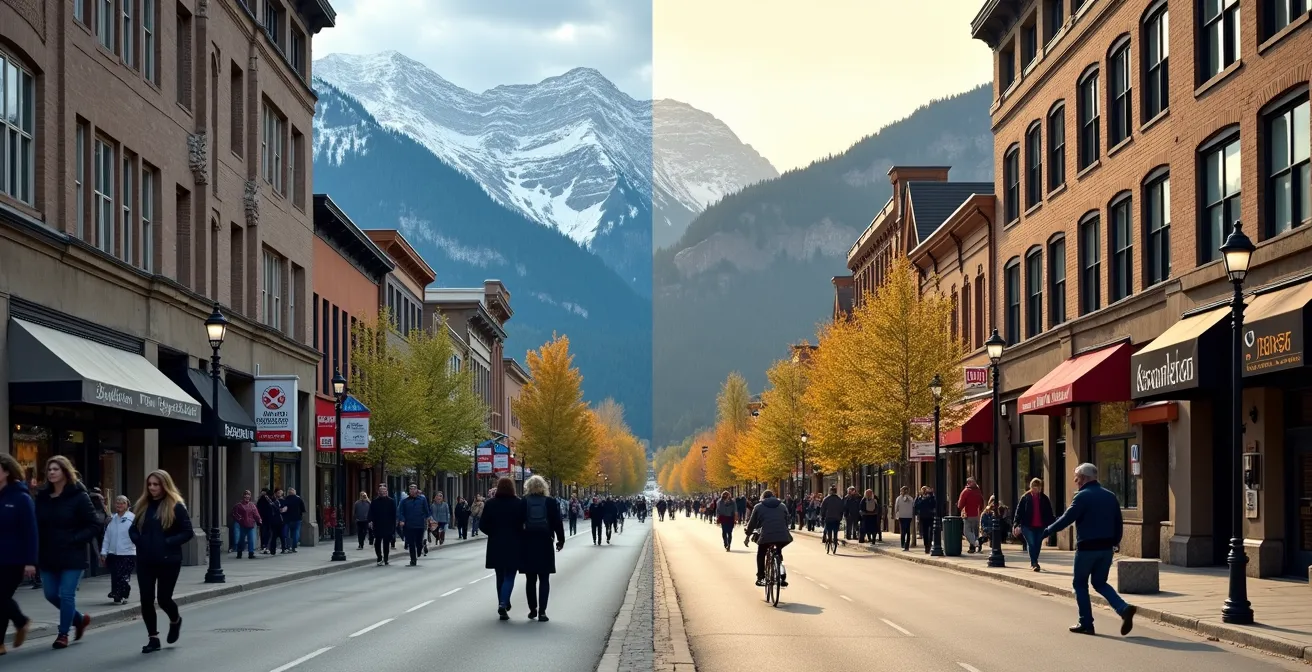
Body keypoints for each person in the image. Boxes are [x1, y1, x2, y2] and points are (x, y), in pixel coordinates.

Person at [1042, 463, 1136, 636]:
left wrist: (1047, 531)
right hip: (1107, 548)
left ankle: (1086, 623)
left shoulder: (1082, 497)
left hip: (1087, 549)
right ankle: (1123, 608)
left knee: (1079, 583)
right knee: (1100, 582)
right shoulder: (1110, 496)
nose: (1075, 481)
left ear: (1084, 478)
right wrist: (1115, 542)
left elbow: (1066, 518)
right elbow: (1118, 522)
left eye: (1076, 478)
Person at [34, 456, 99, 649]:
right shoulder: (43, 496)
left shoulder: (79, 496)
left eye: (56, 469)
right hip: (48, 553)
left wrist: (74, 539)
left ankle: (63, 634)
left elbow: (94, 524)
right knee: (51, 594)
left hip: (72, 554)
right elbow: (35, 524)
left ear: (65, 472)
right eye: (49, 470)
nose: (52, 473)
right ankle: (79, 619)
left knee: (66, 594)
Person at [129, 469, 194, 653]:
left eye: (156, 484)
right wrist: (138, 540)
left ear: (165, 485)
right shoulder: (142, 505)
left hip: (168, 560)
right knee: (146, 599)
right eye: (149, 484)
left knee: (164, 599)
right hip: (145, 560)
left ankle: (175, 620)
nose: (152, 488)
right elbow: (133, 529)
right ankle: (153, 638)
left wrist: (167, 542)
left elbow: (187, 532)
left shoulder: (175, 505)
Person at [0, 453, 37, 655]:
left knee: (1, 596)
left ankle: (21, 621)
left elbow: (31, 531)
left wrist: (30, 561)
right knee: (1, 600)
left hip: (13, 558)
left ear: (6, 471)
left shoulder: (21, 497)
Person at [519, 475, 565, 622]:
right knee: (544, 578)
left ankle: (532, 609)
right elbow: (557, 522)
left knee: (530, 579)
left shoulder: (524, 502)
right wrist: (560, 540)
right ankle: (543, 612)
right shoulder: (550, 502)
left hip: (528, 542)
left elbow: (518, 522)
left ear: (528, 487)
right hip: (545, 542)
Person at [481, 477, 524, 620]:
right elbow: (523, 522)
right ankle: (504, 602)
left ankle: (502, 602)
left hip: (496, 543)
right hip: (514, 543)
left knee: (499, 575)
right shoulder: (518, 503)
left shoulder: (491, 504)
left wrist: (492, 533)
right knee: (510, 575)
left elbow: (482, 524)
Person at [743, 490, 792, 587]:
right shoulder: (782, 506)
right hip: (783, 536)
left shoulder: (758, 507)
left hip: (766, 535)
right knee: (778, 552)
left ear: (763, 497)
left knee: (761, 553)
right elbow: (788, 520)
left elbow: (752, 523)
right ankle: (782, 575)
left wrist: (748, 536)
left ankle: (760, 577)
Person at [100, 495, 136, 604]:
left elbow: (137, 535)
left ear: (127, 505)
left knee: (123, 575)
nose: (119, 505)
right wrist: (103, 552)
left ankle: (124, 593)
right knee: (115, 575)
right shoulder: (112, 519)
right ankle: (117, 595)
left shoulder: (132, 518)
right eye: (117, 503)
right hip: (113, 553)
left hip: (128, 552)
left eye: (122, 503)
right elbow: (107, 537)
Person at [397, 484, 430, 566]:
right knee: (411, 543)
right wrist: (402, 520)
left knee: (418, 542)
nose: (412, 491)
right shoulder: (404, 501)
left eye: (414, 489)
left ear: (416, 490)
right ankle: (413, 560)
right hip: (408, 525)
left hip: (419, 524)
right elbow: (400, 512)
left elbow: (427, 511)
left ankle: (420, 549)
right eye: (410, 489)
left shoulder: (422, 499)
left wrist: (426, 518)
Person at [368, 484, 397, 566]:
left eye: (384, 491)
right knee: (377, 542)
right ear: (378, 492)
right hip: (377, 525)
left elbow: (394, 514)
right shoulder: (375, 502)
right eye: (381, 491)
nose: (383, 492)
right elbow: (371, 512)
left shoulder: (391, 501)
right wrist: (370, 521)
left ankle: (386, 558)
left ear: (387, 492)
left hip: (388, 525)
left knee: (386, 543)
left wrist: (394, 525)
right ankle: (379, 557)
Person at [957, 478, 985, 553]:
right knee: (975, 532)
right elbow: (982, 501)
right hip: (976, 514)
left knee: (967, 532)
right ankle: (974, 546)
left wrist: (960, 508)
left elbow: (960, 504)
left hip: (968, 514)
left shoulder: (966, 491)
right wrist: (981, 509)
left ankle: (976, 543)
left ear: (968, 483)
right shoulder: (978, 491)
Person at [231, 490, 261, 559]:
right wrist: (239, 519)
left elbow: (256, 514)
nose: (247, 496)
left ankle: (251, 553)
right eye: (246, 495)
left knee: (251, 539)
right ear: (243, 496)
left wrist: (259, 519)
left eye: (248, 495)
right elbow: (234, 513)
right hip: (242, 524)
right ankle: (239, 552)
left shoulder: (252, 505)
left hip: (250, 524)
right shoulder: (239, 505)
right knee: (241, 539)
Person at [281, 488, 306, 552]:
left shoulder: (285, 499)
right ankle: (293, 546)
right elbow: (303, 509)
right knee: (295, 532)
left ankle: (287, 546)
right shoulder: (299, 499)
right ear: (295, 492)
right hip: (297, 518)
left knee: (286, 533)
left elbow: (282, 509)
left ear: (288, 493)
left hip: (287, 519)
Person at [914, 486, 937, 554]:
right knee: (924, 532)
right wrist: (919, 497)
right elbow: (916, 505)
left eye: (925, 490)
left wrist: (931, 495)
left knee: (931, 532)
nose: (924, 492)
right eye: (923, 490)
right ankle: (926, 546)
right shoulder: (919, 498)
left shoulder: (931, 497)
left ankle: (929, 544)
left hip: (930, 516)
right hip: (923, 516)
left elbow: (934, 504)